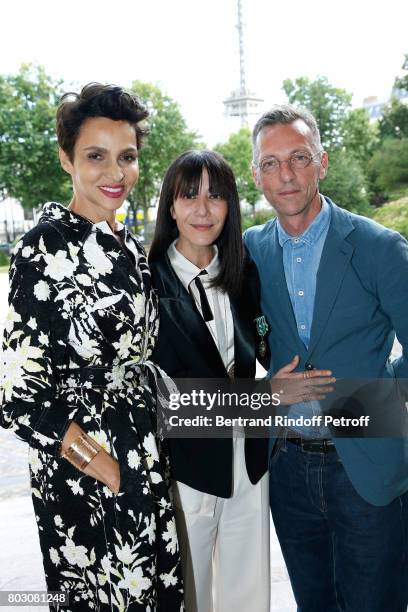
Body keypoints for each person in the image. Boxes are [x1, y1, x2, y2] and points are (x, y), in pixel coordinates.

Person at [0, 83, 184, 611]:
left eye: (126, 157)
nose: (115, 173)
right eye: (96, 156)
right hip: (85, 473)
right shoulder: (44, 246)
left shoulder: (126, 245)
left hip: (143, 459)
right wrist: (106, 469)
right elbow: (19, 397)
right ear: (66, 159)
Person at [148, 149, 331, 612]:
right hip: (185, 468)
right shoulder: (147, 284)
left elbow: (262, 347)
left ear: (231, 205)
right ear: (170, 206)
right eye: (188, 196)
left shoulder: (244, 273)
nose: (203, 209)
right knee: (191, 595)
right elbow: (165, 399)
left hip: (249, 463)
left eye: (216, 196)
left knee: (247, 596)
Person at [245, 104, 408, 612]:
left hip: (367, 467)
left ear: (323, 161)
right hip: (288, 468)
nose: (285, 174)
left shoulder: (379, 247)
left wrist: (377, 399)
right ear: (256, 175)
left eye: (298, 157)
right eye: (270, 163)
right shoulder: (249, 250)